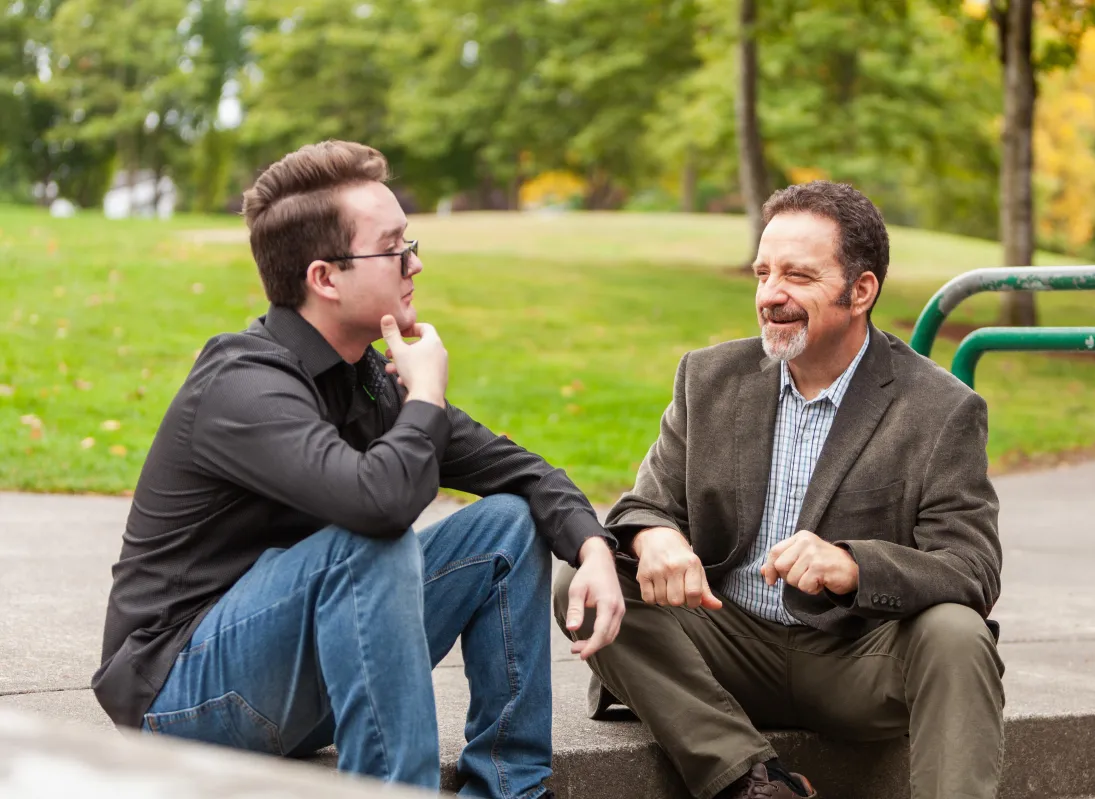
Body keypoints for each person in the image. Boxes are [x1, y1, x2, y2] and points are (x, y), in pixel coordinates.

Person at [94, 140, 625, 799]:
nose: (416, 263)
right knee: (366, 538)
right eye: (396, 247)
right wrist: (425, 397)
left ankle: (512, 789)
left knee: (506, 526)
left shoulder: (366, 374)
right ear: (325, 277)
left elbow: (515, 469)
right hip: (180, 693)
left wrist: (593, 545)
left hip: (293, 682)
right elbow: (379, 507)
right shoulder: (243, 385)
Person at [554, 181, 1004, 799]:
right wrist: (653, 535)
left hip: (857, 661)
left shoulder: (940, 408)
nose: (770, 295)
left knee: (957, 633)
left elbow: (971, 568)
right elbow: (644, 504)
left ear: (861, 290)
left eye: (797, 275)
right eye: (764, 274)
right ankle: (752, 780)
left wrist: (853, 565)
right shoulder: (708, 378)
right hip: (723, 649)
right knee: (585, 578)